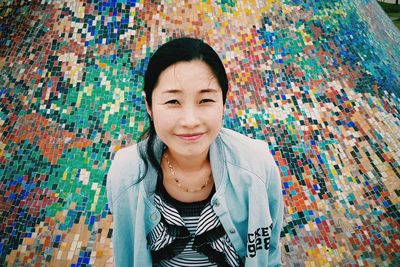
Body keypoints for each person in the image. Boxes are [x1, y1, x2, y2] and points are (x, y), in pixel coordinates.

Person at [106, 37, 284, 266]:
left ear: (223, 103)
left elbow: (269, 253)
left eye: (206, 99)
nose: (190, 121)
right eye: (173, 101)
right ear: (149, 106)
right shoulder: (126, 173)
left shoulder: (258, 166)